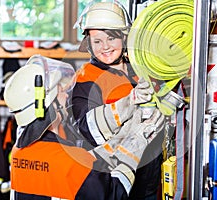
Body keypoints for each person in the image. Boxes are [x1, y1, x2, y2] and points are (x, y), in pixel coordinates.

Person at [3, 55, 165, 200]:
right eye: (60, 91)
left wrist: (122, 137)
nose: (66, 95)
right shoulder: (69, 163)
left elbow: (80, 168)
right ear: (51, 105)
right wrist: (135, 145)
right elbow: (115, 192)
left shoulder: (19, 153)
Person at [71, 1, 165, 199]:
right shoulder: (87, 78)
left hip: (151, 175)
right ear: (89, 43)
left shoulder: (140, 69)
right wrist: (128, 103)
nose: (105, 47)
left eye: (111, 38)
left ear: (124, 37)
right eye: (97, 41)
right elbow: (86, 130)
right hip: (115, 180)